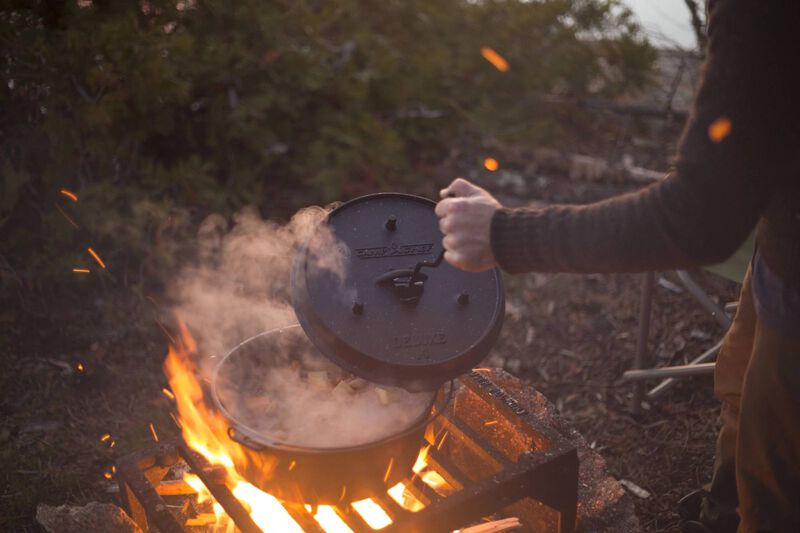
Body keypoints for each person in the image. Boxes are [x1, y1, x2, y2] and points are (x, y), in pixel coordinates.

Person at [434, 1, 799, 532]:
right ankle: (722, 516)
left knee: (779, 497)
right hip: (781, 240)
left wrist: (504, 236)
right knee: (740, 391)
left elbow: (700, 219)